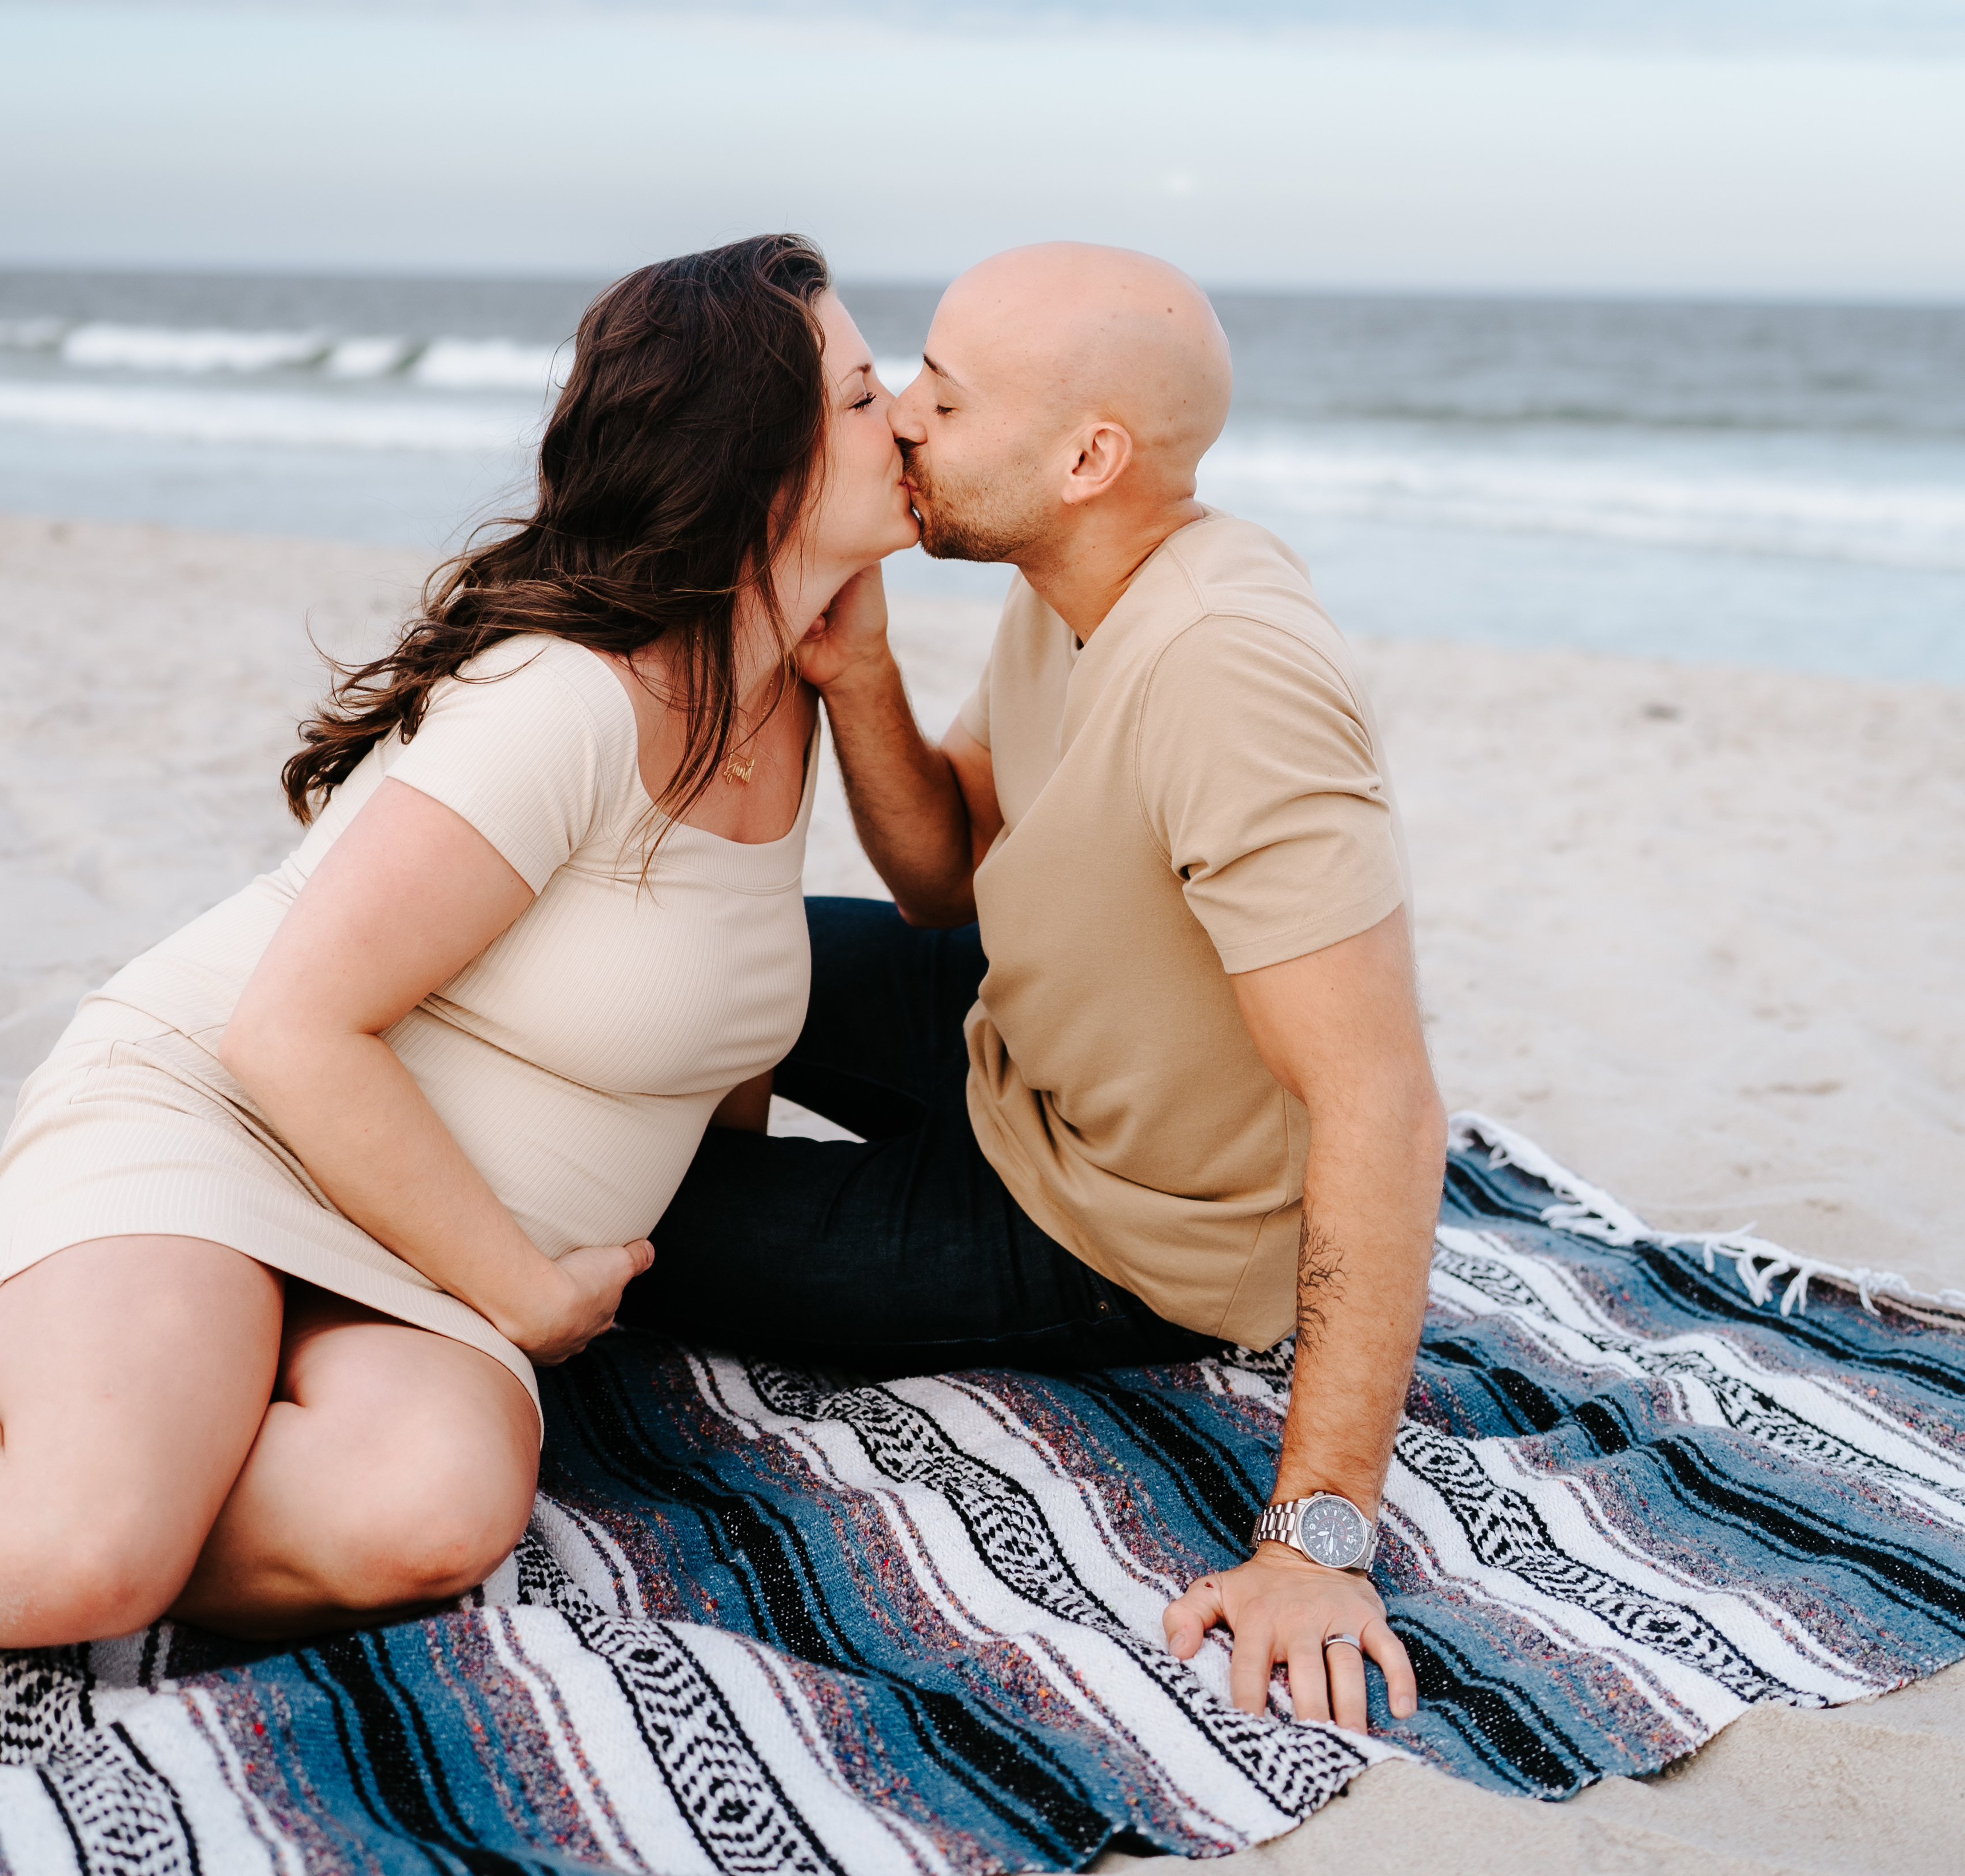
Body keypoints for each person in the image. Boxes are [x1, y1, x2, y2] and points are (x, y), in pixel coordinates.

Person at [0, 233, 918, 1647]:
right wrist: (529, 1297)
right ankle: (57, 1489)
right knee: (79, 1557)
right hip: (232, 1126)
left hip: (424, 1256)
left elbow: (757, 982)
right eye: (855, 395)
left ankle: (87, 1463)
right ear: (750, 460)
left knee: (426, 1518)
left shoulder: (774, 694)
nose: (900, 418)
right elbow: (285, 1028)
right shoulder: (565, 697)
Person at [619, 242, 1445, 1735]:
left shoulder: (1227, 670)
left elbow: (1379, 1102)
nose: (906, 416)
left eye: (950, 389)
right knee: (691, 956)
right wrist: (860, 674)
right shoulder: (1071, 574)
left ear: (1087, 455)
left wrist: (1319, 1540)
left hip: (1120, 1227)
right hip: (1011, 1039)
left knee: (620, 1223)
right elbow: (944, 881)